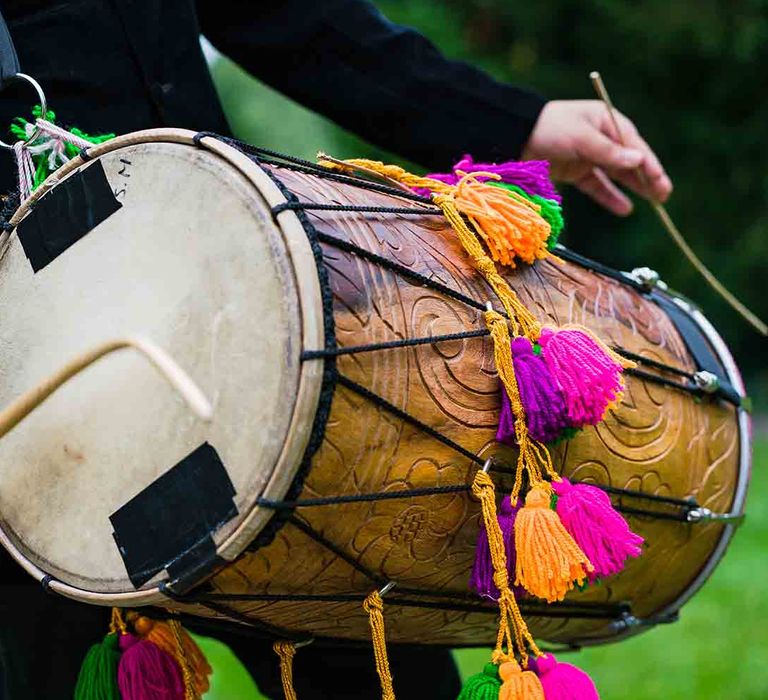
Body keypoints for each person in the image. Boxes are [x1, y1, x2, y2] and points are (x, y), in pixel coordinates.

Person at [0, 1, 671, 698]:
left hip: (239, 320)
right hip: (26, 384)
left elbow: (295, 20)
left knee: (379, 674)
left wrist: (514, 121)